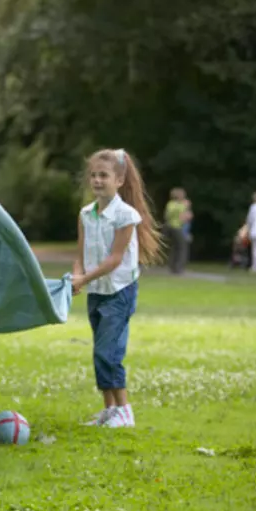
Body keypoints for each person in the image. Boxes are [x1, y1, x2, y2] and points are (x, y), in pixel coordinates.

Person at [71, 148, 163, 429]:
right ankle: (110, 411)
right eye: (94, 175)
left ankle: (125, 411)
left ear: (119, 180)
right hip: (97, 290)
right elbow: (81, 253)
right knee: (100, 350)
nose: (97, 180)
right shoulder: (86, 213)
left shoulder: (126, 215)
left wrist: (83, 280)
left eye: (104, 175)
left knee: (108, 352)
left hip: (119, 291)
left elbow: (114, 259)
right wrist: (76, 276)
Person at [163, 188, 190, 274]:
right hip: (178, 227)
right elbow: (185, 218)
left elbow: (166, 216)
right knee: (182, 248)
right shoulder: (181, 205)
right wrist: (187, 207)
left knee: (174, 247)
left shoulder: (170, 204)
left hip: (169, 227)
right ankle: (179, 268)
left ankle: (172, 266)